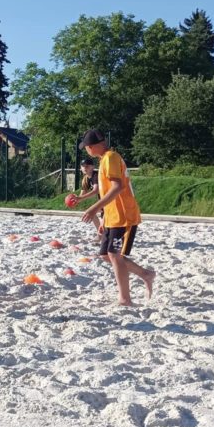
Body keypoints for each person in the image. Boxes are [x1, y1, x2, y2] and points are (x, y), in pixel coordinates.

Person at [78, 128, 155, 306]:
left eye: (87, 146)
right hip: (112, 217)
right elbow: (107, 193)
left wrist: (93, 209)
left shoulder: (111, 157)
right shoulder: (104, 160)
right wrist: (104, 218)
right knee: (106, 255)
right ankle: (145, 274)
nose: (87, 150)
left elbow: (117, 187)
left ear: (94, 146)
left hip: (124, 216)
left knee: (114, 255)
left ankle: (125, 299)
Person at [67, 158, 102, 237]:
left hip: (111, 198)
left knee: (92, 212)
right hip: (103, 199)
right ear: (80, 168)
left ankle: (101, 235)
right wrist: (75, 201)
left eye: (87, 166)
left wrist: (79, 199)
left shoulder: (96, 175)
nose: (85, 168)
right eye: (83, 166)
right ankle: (101, 234)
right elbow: (82, 194)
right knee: (90, 212)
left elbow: (96, 191)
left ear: (93, 167)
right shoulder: (86, 179)